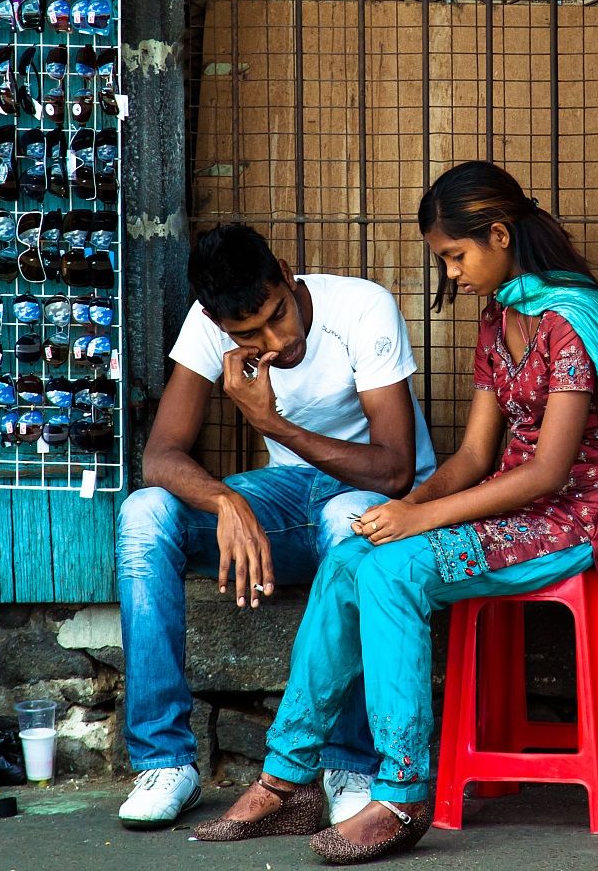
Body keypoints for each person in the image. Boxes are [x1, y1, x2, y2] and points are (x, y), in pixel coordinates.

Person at [191, 161, 598, 863]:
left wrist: (419, 524)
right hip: (514, 506)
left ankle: (403, 792)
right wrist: (405, 506)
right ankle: (287, 781)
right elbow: (473, 455)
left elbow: (548, 472)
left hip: (579, 519)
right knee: (352, 553)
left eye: (456, 255)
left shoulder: (569, 319)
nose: (453, 273)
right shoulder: (499, 316)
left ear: (499, 234)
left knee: (390, 573)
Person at [115, 223, 437, 828]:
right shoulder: (205, 325)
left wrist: (276, 424)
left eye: (277, 316)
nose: (274, 341)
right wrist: (226, 503)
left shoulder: (362, 307)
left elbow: (395, 470)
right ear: (218, 325)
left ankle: (351, 764)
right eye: (247, 334)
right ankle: (166, 761)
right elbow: (160, 455)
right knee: (143, 512)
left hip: (380, 497)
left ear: (287, 275)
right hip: (289, 497)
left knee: (349, 519)